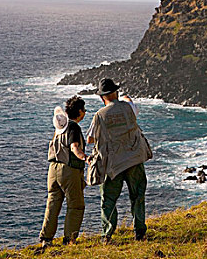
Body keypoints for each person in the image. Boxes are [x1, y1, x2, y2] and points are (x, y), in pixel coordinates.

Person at [87, 78, 151, 243]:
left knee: (108, 200)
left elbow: (90, 139)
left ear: (102, 98)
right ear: (116, 93)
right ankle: (140, 233)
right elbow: (130, 102)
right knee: (137, 196)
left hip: (113, 163)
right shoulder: (128, 107)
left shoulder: (99, 115)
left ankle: (107, 235)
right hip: (134, 158)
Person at [39, 96, 89, 248]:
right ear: (80, 111)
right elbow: (74, 147)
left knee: (53, 204)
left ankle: (46, 239)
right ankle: (69, 240)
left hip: (53, 170)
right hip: (68, 170)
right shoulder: (73, 127)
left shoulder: (59, 126)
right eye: (84, 110)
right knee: (76, 205)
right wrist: (85, 158)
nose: (85, 112)